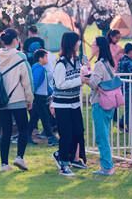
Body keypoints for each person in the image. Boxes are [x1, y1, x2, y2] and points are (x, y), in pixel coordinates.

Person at [0, 28, 33, 172]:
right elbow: (27, 82)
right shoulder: (20, 57)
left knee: (6, 131)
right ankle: (19, 157)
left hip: (1, 100)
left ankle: (4, 164)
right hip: (18, 99)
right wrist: (30, 99)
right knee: (23, 129)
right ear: (16, 40)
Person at [51, 32, 87, 177]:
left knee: (78, 132)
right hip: (62, 105)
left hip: (74, 103)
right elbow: (60, 84)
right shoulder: (61, 63)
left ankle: (63, 155)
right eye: (77, 41)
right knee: (66, 135)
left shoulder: (77, 60)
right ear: (72, 43)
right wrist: (80, 81)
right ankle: (64, 164)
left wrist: (84, 75)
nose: (79, 43)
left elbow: (79, 76)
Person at [88, 36, 117, 176]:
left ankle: (107, 166)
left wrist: (86, 78)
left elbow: (94, 83)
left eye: (93, 44)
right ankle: (107, 165)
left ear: (98, 47)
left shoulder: (99, 64)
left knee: (102, 136)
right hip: (110, 102)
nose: (91, 46)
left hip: (100, 102)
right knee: (104, 134)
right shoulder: (108, 62)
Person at [28, 49, 58, 146]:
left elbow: (44, 84)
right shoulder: (39, 68)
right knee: (45, 117)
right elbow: (35, 83)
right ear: (40, 58)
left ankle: (26, 136)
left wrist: (51, 92)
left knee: (34, 118)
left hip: (40, 96)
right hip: (38, 97)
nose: (47, 58)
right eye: (45, 57)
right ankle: (50, 137)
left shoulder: (40, 68)